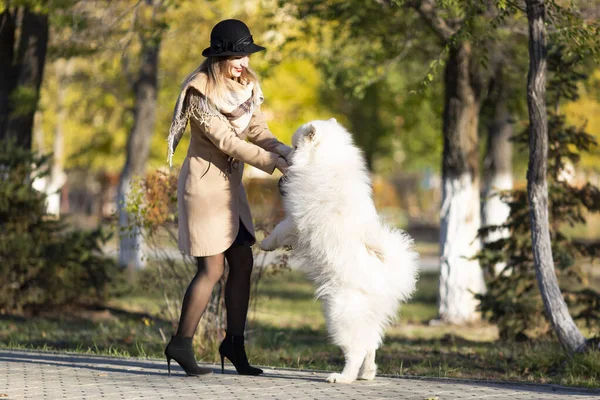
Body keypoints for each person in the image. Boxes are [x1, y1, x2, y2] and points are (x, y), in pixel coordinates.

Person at [164, 19, 291, 377]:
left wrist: (288, 152)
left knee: (243, 263)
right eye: (237, 56)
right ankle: (181, 342)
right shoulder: (198, 90)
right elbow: (227, 142)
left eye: (246, 55)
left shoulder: (245, 85)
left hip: (230, 190)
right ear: (220, 57)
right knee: (212, 268)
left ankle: (233, 344)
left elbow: (256, 130)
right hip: (204, 190)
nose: (244, 63)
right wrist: (276, 164)